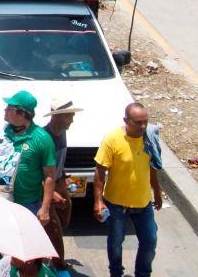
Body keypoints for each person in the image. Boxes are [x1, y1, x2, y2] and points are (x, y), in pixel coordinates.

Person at [0, 90, 57, 270]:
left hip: (27, 203)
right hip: (0, 195)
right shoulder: (3, 131)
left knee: (21, 250)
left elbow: (50, 176)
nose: (5, 110)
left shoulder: (42, 139)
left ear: (21, 113)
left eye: (9, 108)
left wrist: (44, 208)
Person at [94, 102, 161, 277]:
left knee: (150, 241)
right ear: (126, 120)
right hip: (116, 204)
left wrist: (158, 193)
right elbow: (100, 171)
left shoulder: (149, 138)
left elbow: (153, 168)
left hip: (143, 202)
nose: (143, 126)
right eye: (138, 122)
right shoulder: (112, 139)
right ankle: (116, 272)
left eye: (145, 121)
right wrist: (98, 201)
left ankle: (143, 273)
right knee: (116, 241)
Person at [42, 96, 81, 277]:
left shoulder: (63, 132)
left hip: (60, 183)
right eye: (69, 117)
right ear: (57, 116)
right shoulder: (44, 138)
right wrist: (51, 194)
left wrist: (64, 177)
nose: (72, 121)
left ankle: (44, 253)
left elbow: (57, 161)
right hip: (47, 188)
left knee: (64, 220)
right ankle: (60, 266)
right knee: (55, 227)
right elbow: (37, 171)